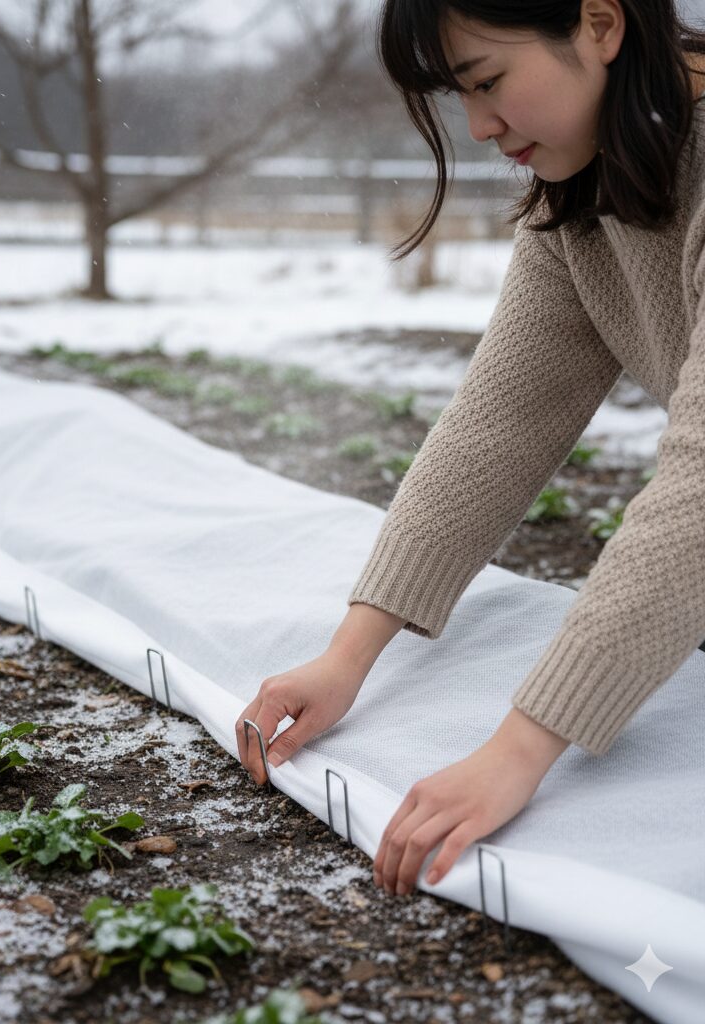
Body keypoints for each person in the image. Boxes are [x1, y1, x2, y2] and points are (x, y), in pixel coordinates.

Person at [235, 0, 705, 900]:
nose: (480, 127)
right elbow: (497, 425)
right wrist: (347, 656)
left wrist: (520, 749)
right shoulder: (586, 188)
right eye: (460, 97)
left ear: (600, 25)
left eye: (488, 82)